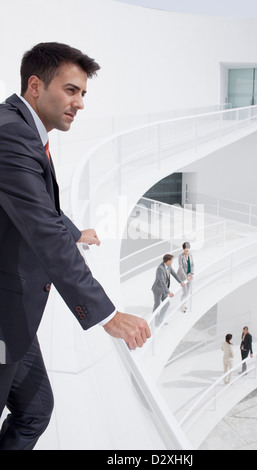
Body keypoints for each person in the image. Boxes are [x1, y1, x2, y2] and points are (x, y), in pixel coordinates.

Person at [0, 42, 151, 450]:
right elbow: (43, 231)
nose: (80, 103)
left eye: (83, 93)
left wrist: (74, 230)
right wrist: (107, 315)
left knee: (35, 411)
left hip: (15, 316)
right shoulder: (10, 135)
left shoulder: (22, 130)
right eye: (71, 90)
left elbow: (34, 205)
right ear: (35, 85)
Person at [152, 254, 185, 327]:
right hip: (158, 289)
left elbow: (174, 274)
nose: (172, 261)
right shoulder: (160, 269)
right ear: (167, 261)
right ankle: (155, 321)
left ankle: (160, 320)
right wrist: (169, 292)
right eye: (171, 260)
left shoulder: (169, 266)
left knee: (167, 304)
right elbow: (162, 281)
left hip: (164, 289)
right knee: (157, 305)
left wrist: (181, 282)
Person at [177, 242, 194, 312]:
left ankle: (183, 303)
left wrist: (192, 273)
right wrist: (185, 276)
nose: (187, 250)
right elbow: (180, 267)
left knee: (188, 292)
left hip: (189, 275)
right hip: (182, 276)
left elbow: (192, 265)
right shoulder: (181, 256)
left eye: (188, 249)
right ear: (183, 249)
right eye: (185, 249)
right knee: (185, 292)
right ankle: (182, 305)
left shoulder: (190, 255)